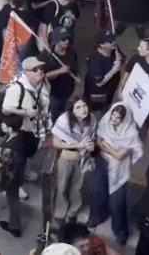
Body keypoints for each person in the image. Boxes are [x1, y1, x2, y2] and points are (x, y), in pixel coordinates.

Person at [89, 103, 142, 245]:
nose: (114, 119)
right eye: (113, 114)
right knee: (97, 191)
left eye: (118, 118)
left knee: (117, 202)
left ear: (124, 119)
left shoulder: (131, 133)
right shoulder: (106, 121)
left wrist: (106, 146)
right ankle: (97, 216)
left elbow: (119, 156)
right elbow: (99, 140)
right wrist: (109, 148)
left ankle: (120, 231)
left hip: (119, 169)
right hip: (102, 162)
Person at [50, 96, 96, 226]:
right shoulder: (64, 121)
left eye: (84, 106)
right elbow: (56, 142)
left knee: (77, 188)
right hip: (68, 158)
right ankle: (60, 213)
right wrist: (77, 145)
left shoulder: (91, 119)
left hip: (83, 159)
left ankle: (72, 213)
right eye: (78, 107)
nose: (83, 110)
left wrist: (90, 146)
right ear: (72, 111)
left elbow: (92, 137)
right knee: (62, 186)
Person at [39, 29, 77, 121]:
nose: (67, 41)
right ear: (56, 40)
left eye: (68, 38)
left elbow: (74, 67)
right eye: (63, 39)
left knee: (65, 113)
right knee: (54, 115)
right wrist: (59, 71)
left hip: (68, 91)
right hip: (53, 93)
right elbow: (42, 76)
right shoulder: (46, 56)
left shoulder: (71, 53)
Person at [83, 32, 123, 112]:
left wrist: (120, 60)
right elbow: (99, 83)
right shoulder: (94, 61)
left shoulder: (114, 49)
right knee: (97, 110)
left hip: (110, 90)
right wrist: (115, 69)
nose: (113, 42)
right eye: (110, 41)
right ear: (101, 45)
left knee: (107, 104)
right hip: (98, 94)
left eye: (113, 39)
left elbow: (122, 59)